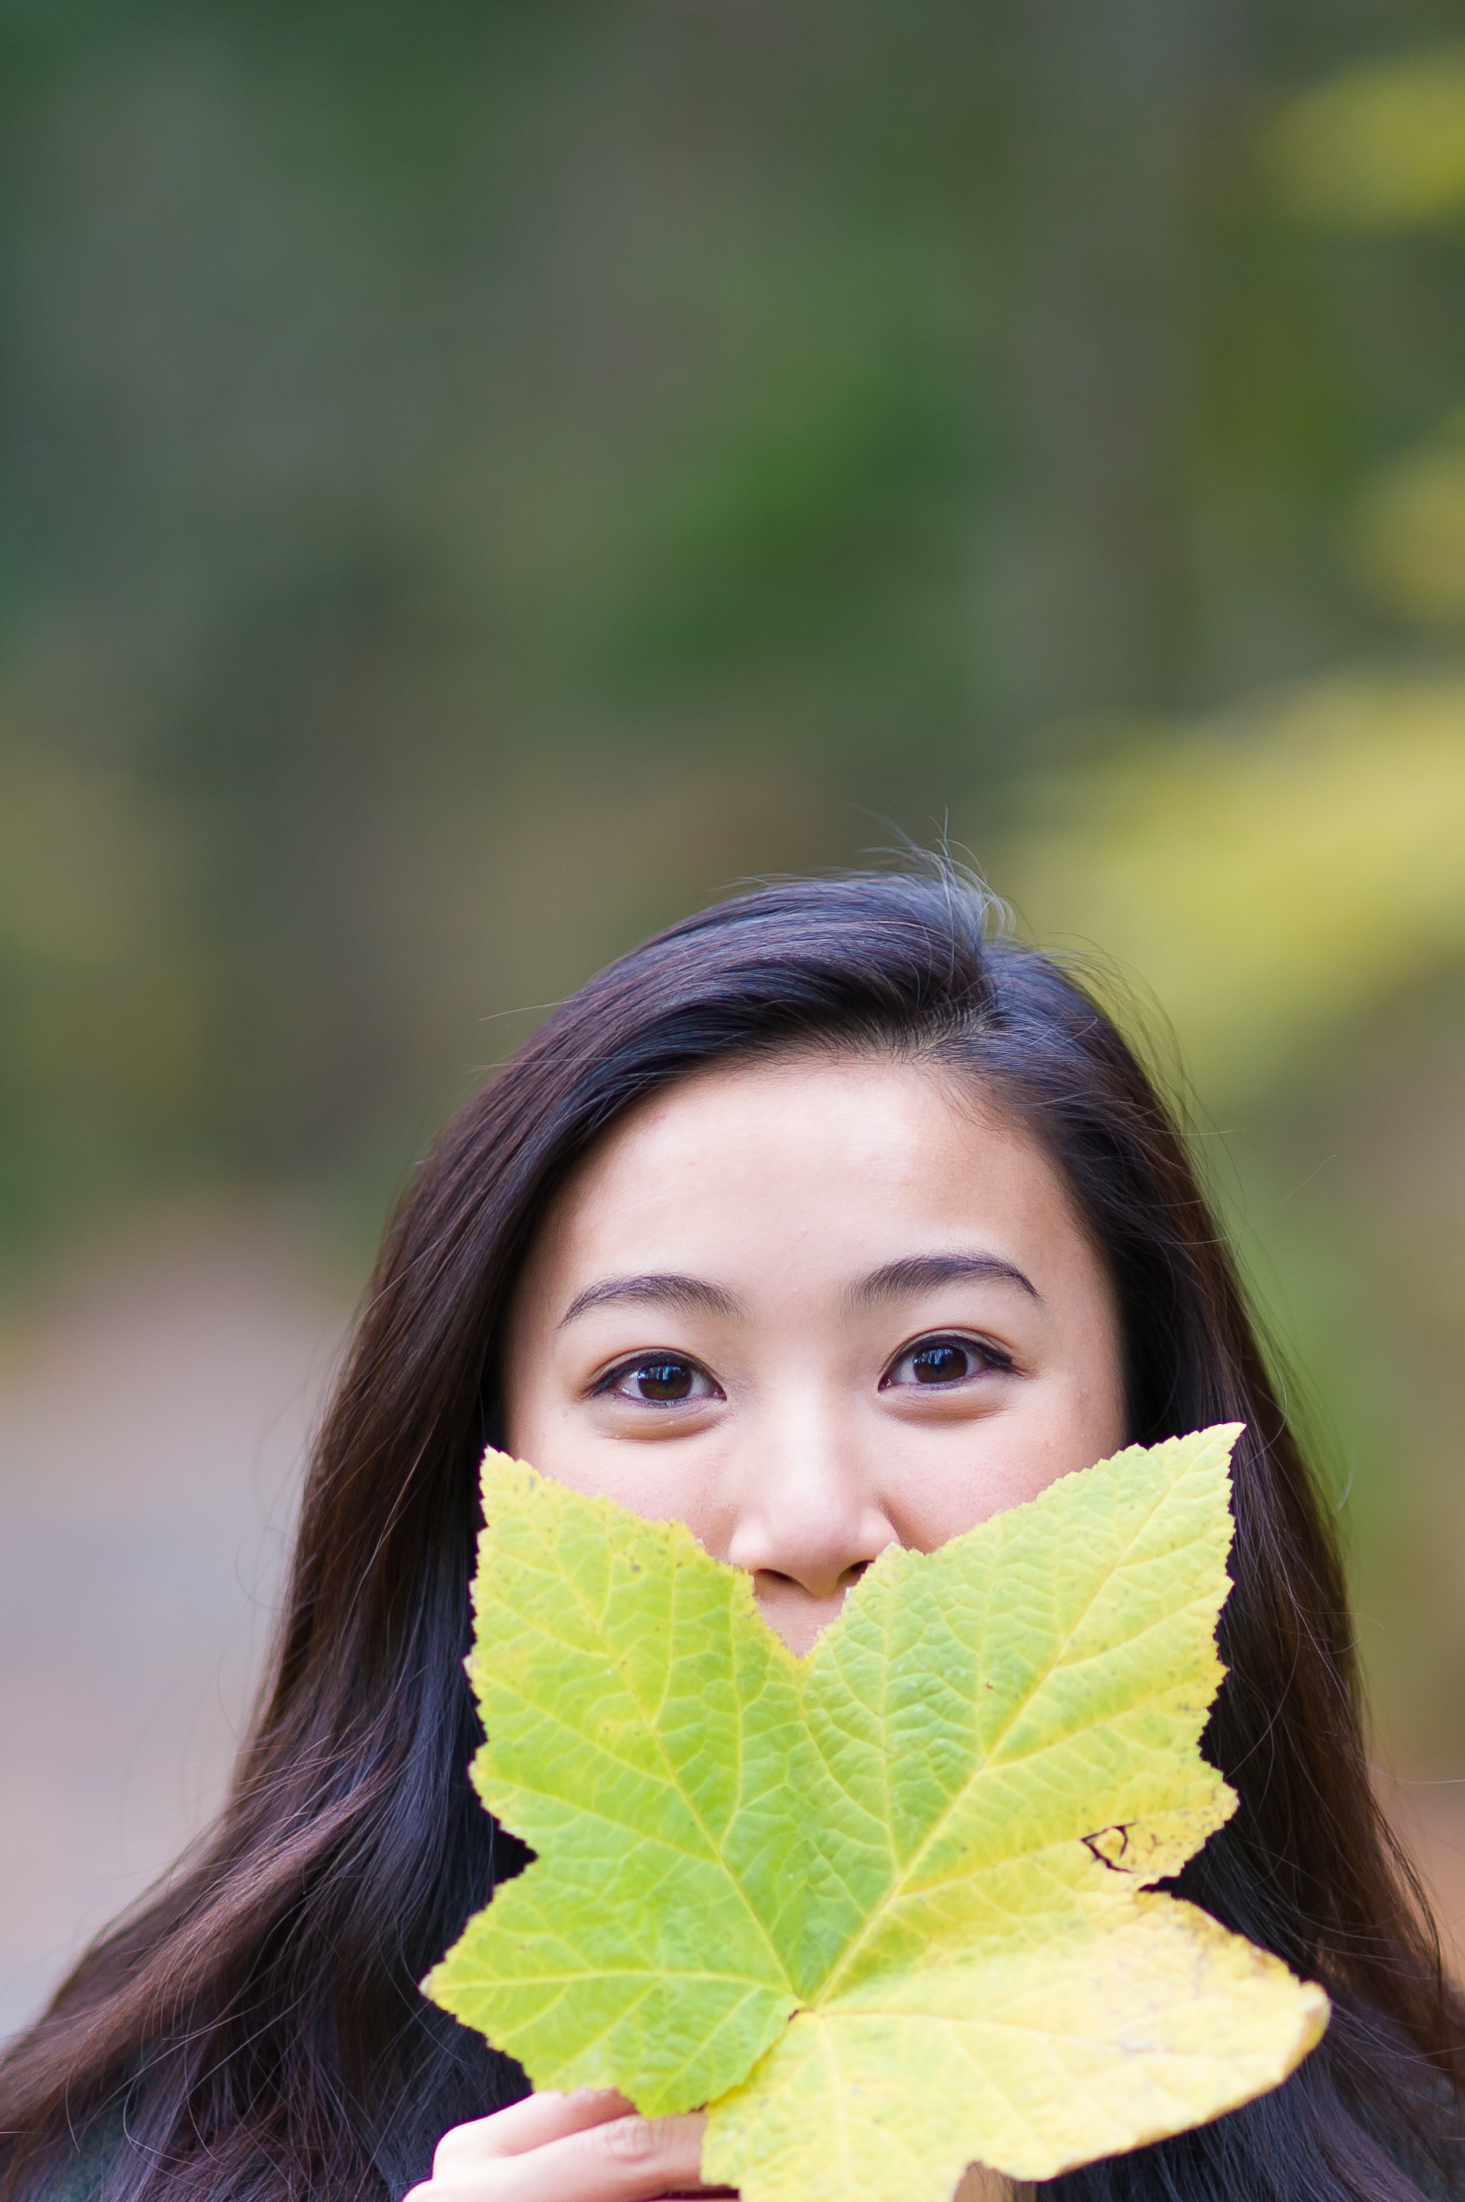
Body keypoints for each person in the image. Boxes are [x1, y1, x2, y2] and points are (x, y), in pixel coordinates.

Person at [1, 869, 1461, 2202]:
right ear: (481, 1477)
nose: (811, 1517)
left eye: (943, 1358)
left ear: (1146, 1427)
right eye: (657, 1378)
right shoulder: (140, 2157)